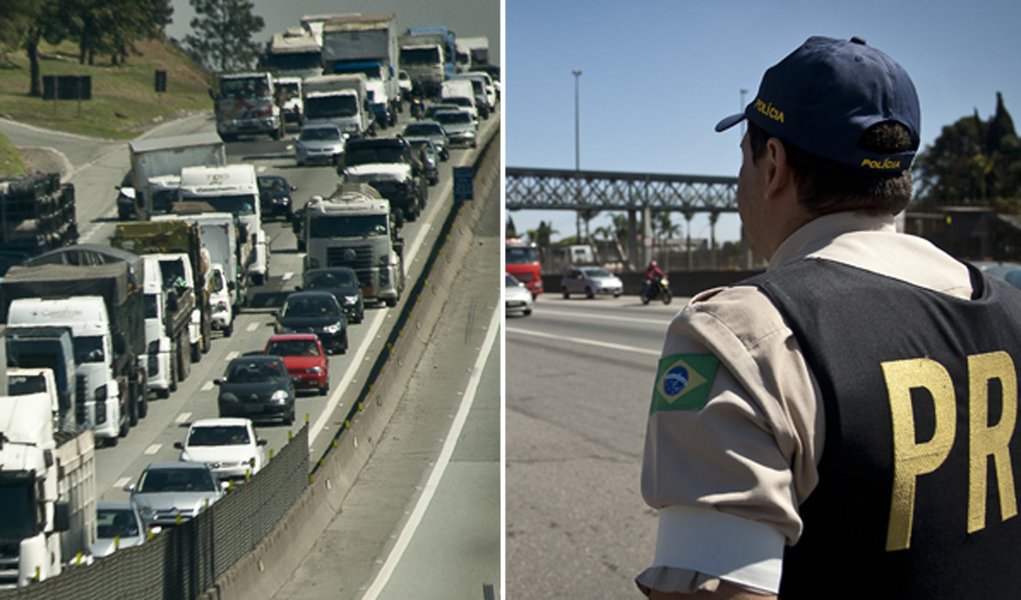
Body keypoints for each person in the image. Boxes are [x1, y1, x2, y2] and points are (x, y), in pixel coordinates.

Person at [637, 36, 1021, 600]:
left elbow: (711, 589)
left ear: (773, 166)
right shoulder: (1010, 312)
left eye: (743, 156)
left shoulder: (744, 333)